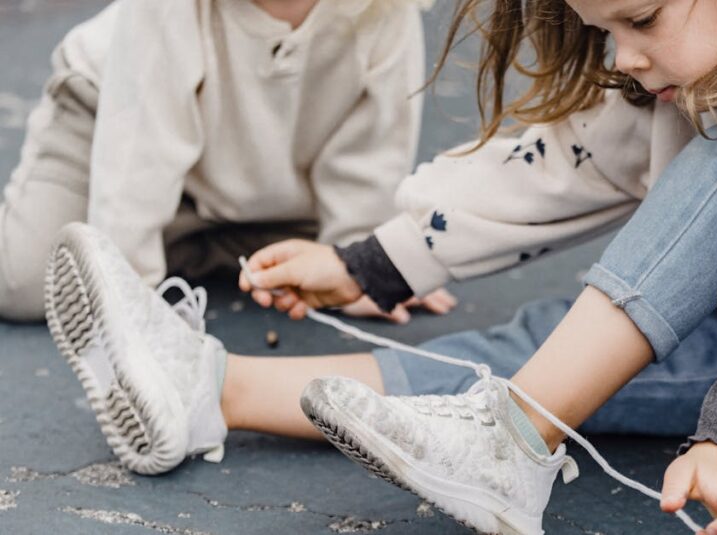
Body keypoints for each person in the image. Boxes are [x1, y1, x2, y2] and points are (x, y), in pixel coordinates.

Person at [45, 0, 717, 533]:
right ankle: (206, 389)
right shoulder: (700, 65)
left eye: (639, 21)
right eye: (602, 31)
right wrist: (369, 264)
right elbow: (557, 166)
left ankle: (515, 440)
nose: (624, 55)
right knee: (565, 345)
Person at [0, 0, 455, 324]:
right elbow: (137, 157)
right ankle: (174, 237)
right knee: (27, 283)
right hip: (106, 124)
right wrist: (130, 296)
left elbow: (372, 148)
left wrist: (358, 265)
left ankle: (191, 235)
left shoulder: (385, 10)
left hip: (266, 171)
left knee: (307, 264)